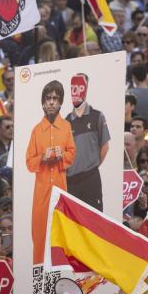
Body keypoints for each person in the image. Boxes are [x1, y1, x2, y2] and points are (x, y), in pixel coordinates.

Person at [26, 80, 75, 265]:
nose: (52, 102)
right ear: (43, 102)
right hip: (41, 194)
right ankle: (38, 279)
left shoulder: (67, 127)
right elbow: (29, 162)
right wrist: (42, 158)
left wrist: (61, 155)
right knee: (39, 236)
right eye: (48, 98)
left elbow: (72, 153)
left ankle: (61, 277)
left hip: (61, 192)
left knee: (61, 236)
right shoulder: (36, 131)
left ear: (61, 101)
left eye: (56, 98)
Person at [65, 73, 109, 210]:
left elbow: (105, 147)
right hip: (70, 182)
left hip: (91, 179)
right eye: (74, 87)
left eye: (80, 87)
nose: (76, 91)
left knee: (95, 222)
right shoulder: (66, 121)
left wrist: (91, 166)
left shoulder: (97, 116)